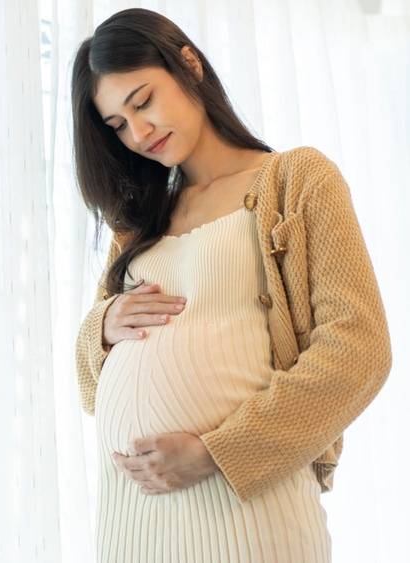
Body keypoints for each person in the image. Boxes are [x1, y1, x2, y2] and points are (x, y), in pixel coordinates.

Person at [71, 8, 391, 563]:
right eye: (118, 124)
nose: (138, 132)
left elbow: (359, 350)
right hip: (134, 519)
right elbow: (90, 387)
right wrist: (102, 327)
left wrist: (219, 453)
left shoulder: (297, 181)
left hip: (246, 506)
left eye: (143, 100)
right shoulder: (139, 221)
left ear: (188, 64)